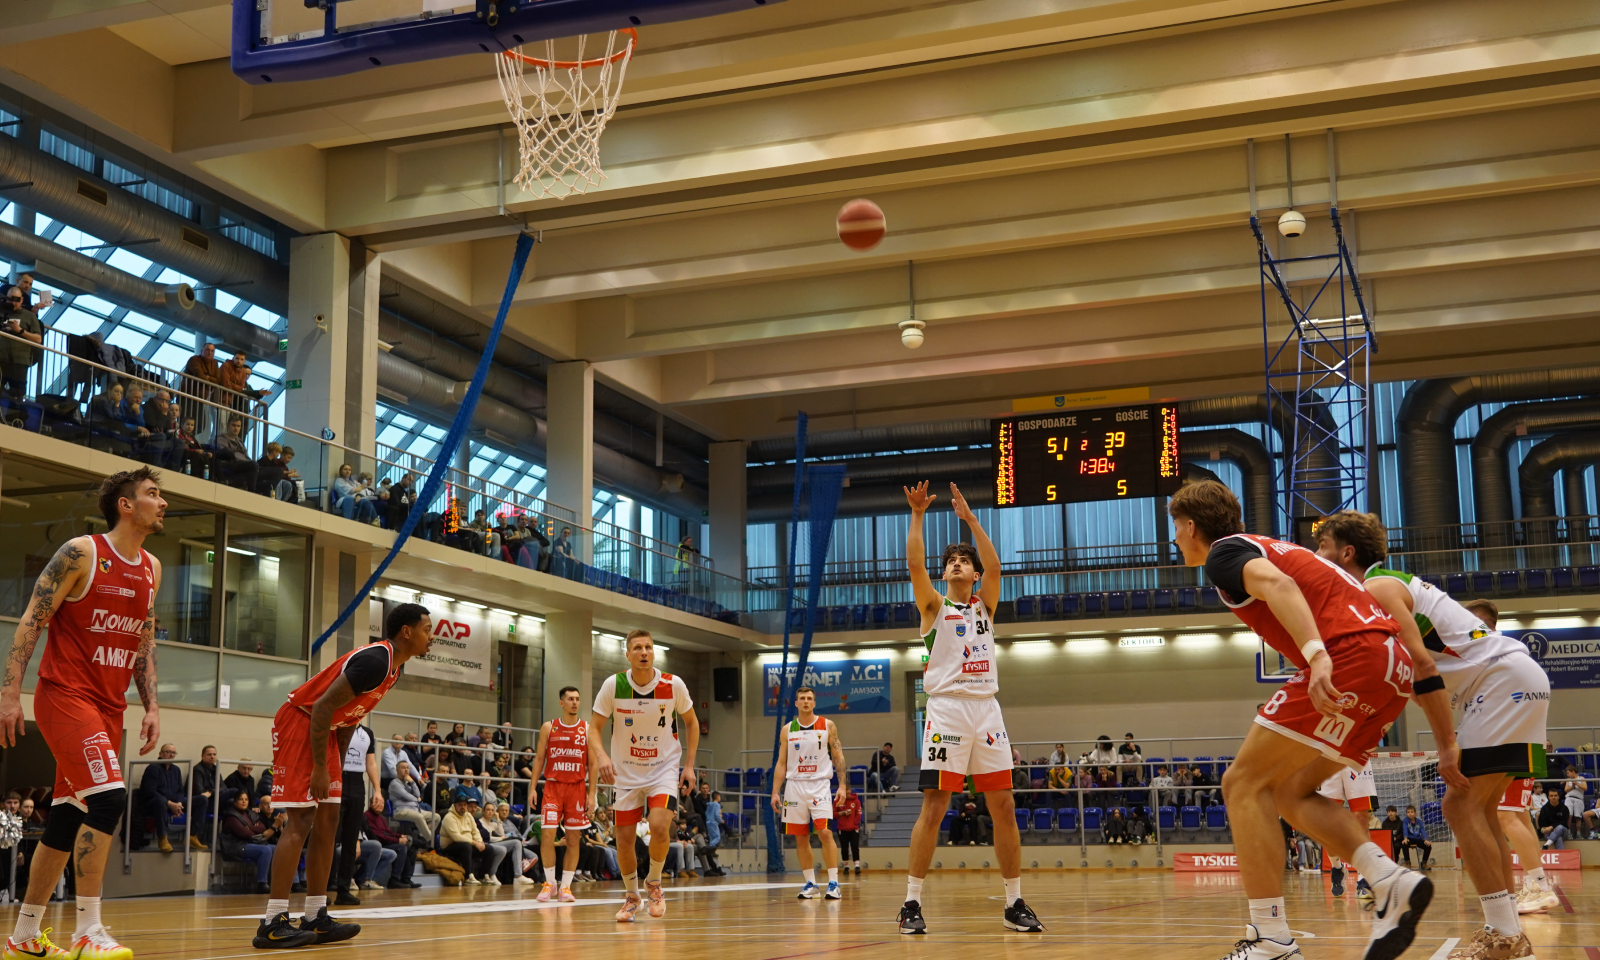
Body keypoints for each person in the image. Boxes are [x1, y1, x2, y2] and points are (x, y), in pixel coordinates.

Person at [1167, 480, 1458, 960]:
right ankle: (1387, 878)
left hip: (1349, 655)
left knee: (1242, 784)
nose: (1175, 538)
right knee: (1290, 791)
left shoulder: (1225, 554)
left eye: (1176, 527)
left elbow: (1278, 586)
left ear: (1192, 526)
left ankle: (1271, 940)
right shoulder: (1272, 546)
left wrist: (1318, 655)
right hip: (1392, 668)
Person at [1318, 511, 1552, 958]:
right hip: (1509, 679)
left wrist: (1446, 746)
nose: (1316, 555)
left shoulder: (1376, 588)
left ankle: (1504, 934)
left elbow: (1424, 668)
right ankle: (1506, 933)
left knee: (1458, 804)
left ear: (1347, 553)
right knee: (1481, 811)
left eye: (1323, 546)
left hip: (1499, 681)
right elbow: (1412, 681)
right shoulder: (1384, 589)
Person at [0, 467, 165, 960]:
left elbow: (144, 641)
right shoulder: (82, 552)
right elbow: (31, 620)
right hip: (65, 698)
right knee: (109, 799)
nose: (162, 502)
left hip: (110, 707)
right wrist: (10, 693)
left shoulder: (152, 568)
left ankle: (24, 935)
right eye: (153, 494)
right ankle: (87, 931)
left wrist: (152, 705)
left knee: (67, 816)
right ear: (125, 505)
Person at [898, 480, 1042, 936]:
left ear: (975, 575)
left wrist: (971, 519)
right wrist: (918, 515)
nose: (957, 564)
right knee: (935, 806)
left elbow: (996, 565)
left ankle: (1014, 903)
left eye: (964, 561)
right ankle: (911, 903)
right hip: (947, 711)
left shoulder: (985, 607)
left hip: (987, 711)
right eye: (951, 561)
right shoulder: (934, 607)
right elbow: (914, 564)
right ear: (944, 575)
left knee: (1004, 806)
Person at [250, 603, 433, 950]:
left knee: (329, 819)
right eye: (427, 629)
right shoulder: (377, 661)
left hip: (328, 732)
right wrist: (321, 767)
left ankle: (315, 915)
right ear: (406, 632)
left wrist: (337, 761)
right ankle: (273, 921)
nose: (431, 637)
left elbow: (351, 715)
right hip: (301, 721)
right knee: (301, 820)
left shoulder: (395, 668)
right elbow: (322, 706)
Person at [590, 629, 699, 923]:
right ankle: (632, 897)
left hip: (663, 768)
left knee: (660, 825)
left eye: (648, 647)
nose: (644, 652)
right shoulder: (614, 685)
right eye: (637, 648)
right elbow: (594, 728)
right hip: (626, 772)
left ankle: (654, 882)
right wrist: (602, 756)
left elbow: (692, 722)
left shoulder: (672, 685)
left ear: (653, 652)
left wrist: (689, 765)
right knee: (624, 839)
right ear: (628, 654)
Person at [771, 686, 847, 900]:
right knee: (800, 837)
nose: (806, 701)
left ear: (814, 703)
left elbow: (838, 756)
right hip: (794, 786)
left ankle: (834, 883)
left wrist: (842, 786)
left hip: (819, 785)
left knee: (825, 833)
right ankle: (811, 884)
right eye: (802, 698)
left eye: (809, 698)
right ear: (796, 703)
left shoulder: (827, 725)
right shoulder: (787, 730)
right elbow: (781, 763)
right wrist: (775, 792)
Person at [531, 685, 597, 902]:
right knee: (547, 836)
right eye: (570, 699)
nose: (575, 702)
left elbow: (593, 764)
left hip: (577, 788)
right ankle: (550, 883)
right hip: (553, 787)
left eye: (577, 698)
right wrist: (532, 787)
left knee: (573, 839)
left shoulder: (586, 729)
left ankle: (566, 887)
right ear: (561, 703)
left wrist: (592, 794)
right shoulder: (549, 727)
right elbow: (539, 759)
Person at [332, 723, 380, 905]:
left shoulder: (367, 732)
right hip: (338, 778)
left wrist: (377, 790)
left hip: (358, 783)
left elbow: (371, 763)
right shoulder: (337, 726)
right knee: (330, 837)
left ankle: (343, 890)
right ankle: (322, 889)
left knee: (351, 840)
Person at [1317, 762, 1378, 899]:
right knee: (1326, 822)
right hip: (1328, 755)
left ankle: (1364, 877)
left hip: (1355, 755)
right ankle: (1337, 868)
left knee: (1361, 818)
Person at [1497, 777, 1557, 914]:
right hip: (1523, 766)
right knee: (1521, 817)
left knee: (1505, 816)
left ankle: (1540, 889)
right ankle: (1533, 887)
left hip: (1507, 766)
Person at [220, 788, 281, 894]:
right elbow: (245, 833)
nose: (244, 802)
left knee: (278, 848)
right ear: (235, 802)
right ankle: (262, 883)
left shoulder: (249, 812)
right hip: (236, 847)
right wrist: (252, 828)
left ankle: (281, 882)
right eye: (241, 799)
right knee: (265, 850)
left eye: (246, 799)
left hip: (250, 843)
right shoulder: (231, 816)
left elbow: (262, 827)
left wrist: (249, 827)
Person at [136, 743, 188, 853]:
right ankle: (162, 837)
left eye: (173, 753)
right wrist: (170, 803)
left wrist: (178, 803)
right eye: (168, 752)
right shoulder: (153, 768)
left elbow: (180, 790)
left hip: (173, 802)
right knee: (160, 801)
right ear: (160, 754)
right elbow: (150, 791)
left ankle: (192, 835)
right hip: (153, 803)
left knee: (200, 800)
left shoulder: (176, 770)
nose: (171, 755)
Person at [1, 286, 43, 401]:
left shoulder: (29, 316)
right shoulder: (1, 311)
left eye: (17, 300)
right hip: (1, 358)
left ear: (22, 300)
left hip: (19, 361)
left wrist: (20, 330)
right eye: (11, 299)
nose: (13, 303)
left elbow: (38, 339)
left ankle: (15, 412)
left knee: (17, 394)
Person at [440, 794, 490, 883]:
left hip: (467, 844)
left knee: (489, 849)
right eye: (460, 805)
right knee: (466, 846)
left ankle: (484, 876)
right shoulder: (449, 817)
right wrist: (475, 843)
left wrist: (479, 841)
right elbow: (456, 837)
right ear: (454, 805)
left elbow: (475, 831)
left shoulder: (469, 816)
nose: (462, 807)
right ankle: (469, 876)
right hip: (449, 847)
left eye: (464, 805)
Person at [213, 417, 258, 491]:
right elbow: (225, 454)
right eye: (233, 425)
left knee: (263, 469)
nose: (236, 428)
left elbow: (246, 456)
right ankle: (252, 491)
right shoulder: (221, 439)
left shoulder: (240, 442)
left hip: (243, 464)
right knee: (253, 465)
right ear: (228, 426)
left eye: (238, 426)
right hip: (231, 463)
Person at [190, 744, 220, 843]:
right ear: (202, 756)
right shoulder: (197, 770)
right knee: (232, 792)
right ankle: (194, 836)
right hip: (199, 803)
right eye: (209, 754)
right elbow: (200, 792)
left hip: (213, 799)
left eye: (214, 754)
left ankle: (226, 839)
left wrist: (211, 792)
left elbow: (223, 786)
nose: (212, 757)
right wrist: (213, 792)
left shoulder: (216, 769)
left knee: (232, 798)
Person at [835, 786, 862, 876]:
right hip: (842, 829)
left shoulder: (856, 801)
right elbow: (833, 813)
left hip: (853, 828)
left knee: (855, 847)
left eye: (849, 793)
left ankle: (857, 866)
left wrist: (854, 823)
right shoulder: (837, 801)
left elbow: (859, 813)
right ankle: (846, 866)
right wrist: (842, 813)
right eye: (846, 793)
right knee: (844, 848)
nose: (848, 795)